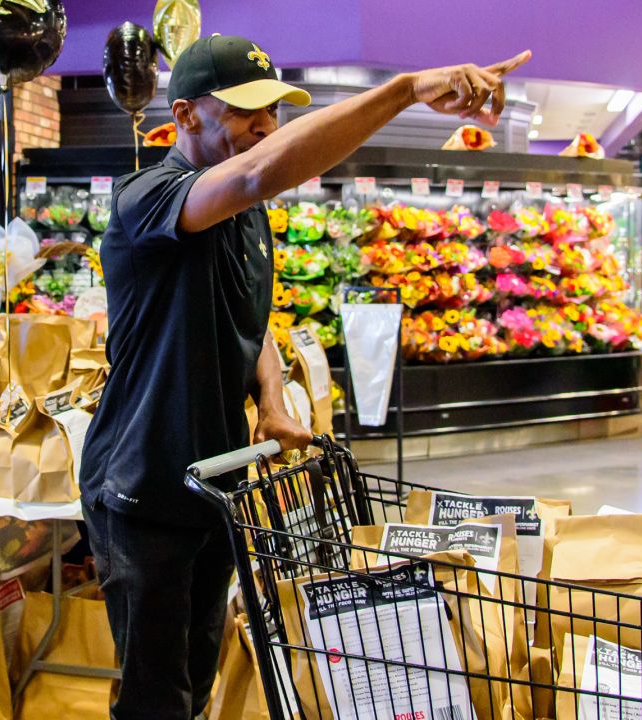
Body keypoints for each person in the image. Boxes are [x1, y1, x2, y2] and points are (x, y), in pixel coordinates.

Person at [77, 34, 531, 720]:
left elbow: (250, 319)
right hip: (141, 487)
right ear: (185, 114)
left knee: (197, 678)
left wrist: (273, 399)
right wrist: (405, 88)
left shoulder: (246, 217)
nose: (265, 124)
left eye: (274, 110)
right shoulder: (149, 198)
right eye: (245, 109)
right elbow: (261, 172)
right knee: (152, 697)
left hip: (215, 481)